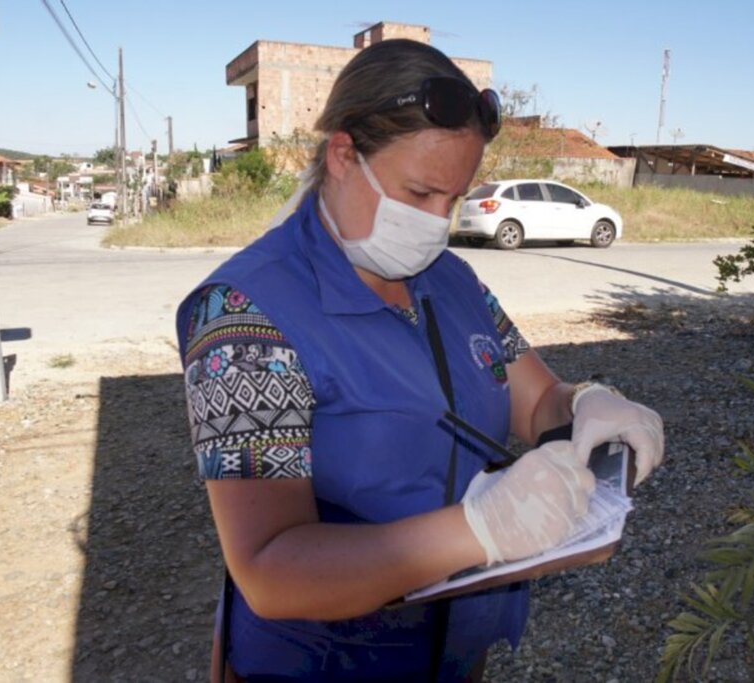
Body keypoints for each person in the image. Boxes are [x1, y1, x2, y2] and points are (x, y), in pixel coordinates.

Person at [176, 38, 664, 682]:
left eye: (455, 199)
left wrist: (588, 404)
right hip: (322, 659)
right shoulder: (242, 313)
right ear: (344, 155)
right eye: (419, 193)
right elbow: (270, 568)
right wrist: (477, 531)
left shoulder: (453, 280)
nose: (437, 222)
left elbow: (535, 398)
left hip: (453, 648)